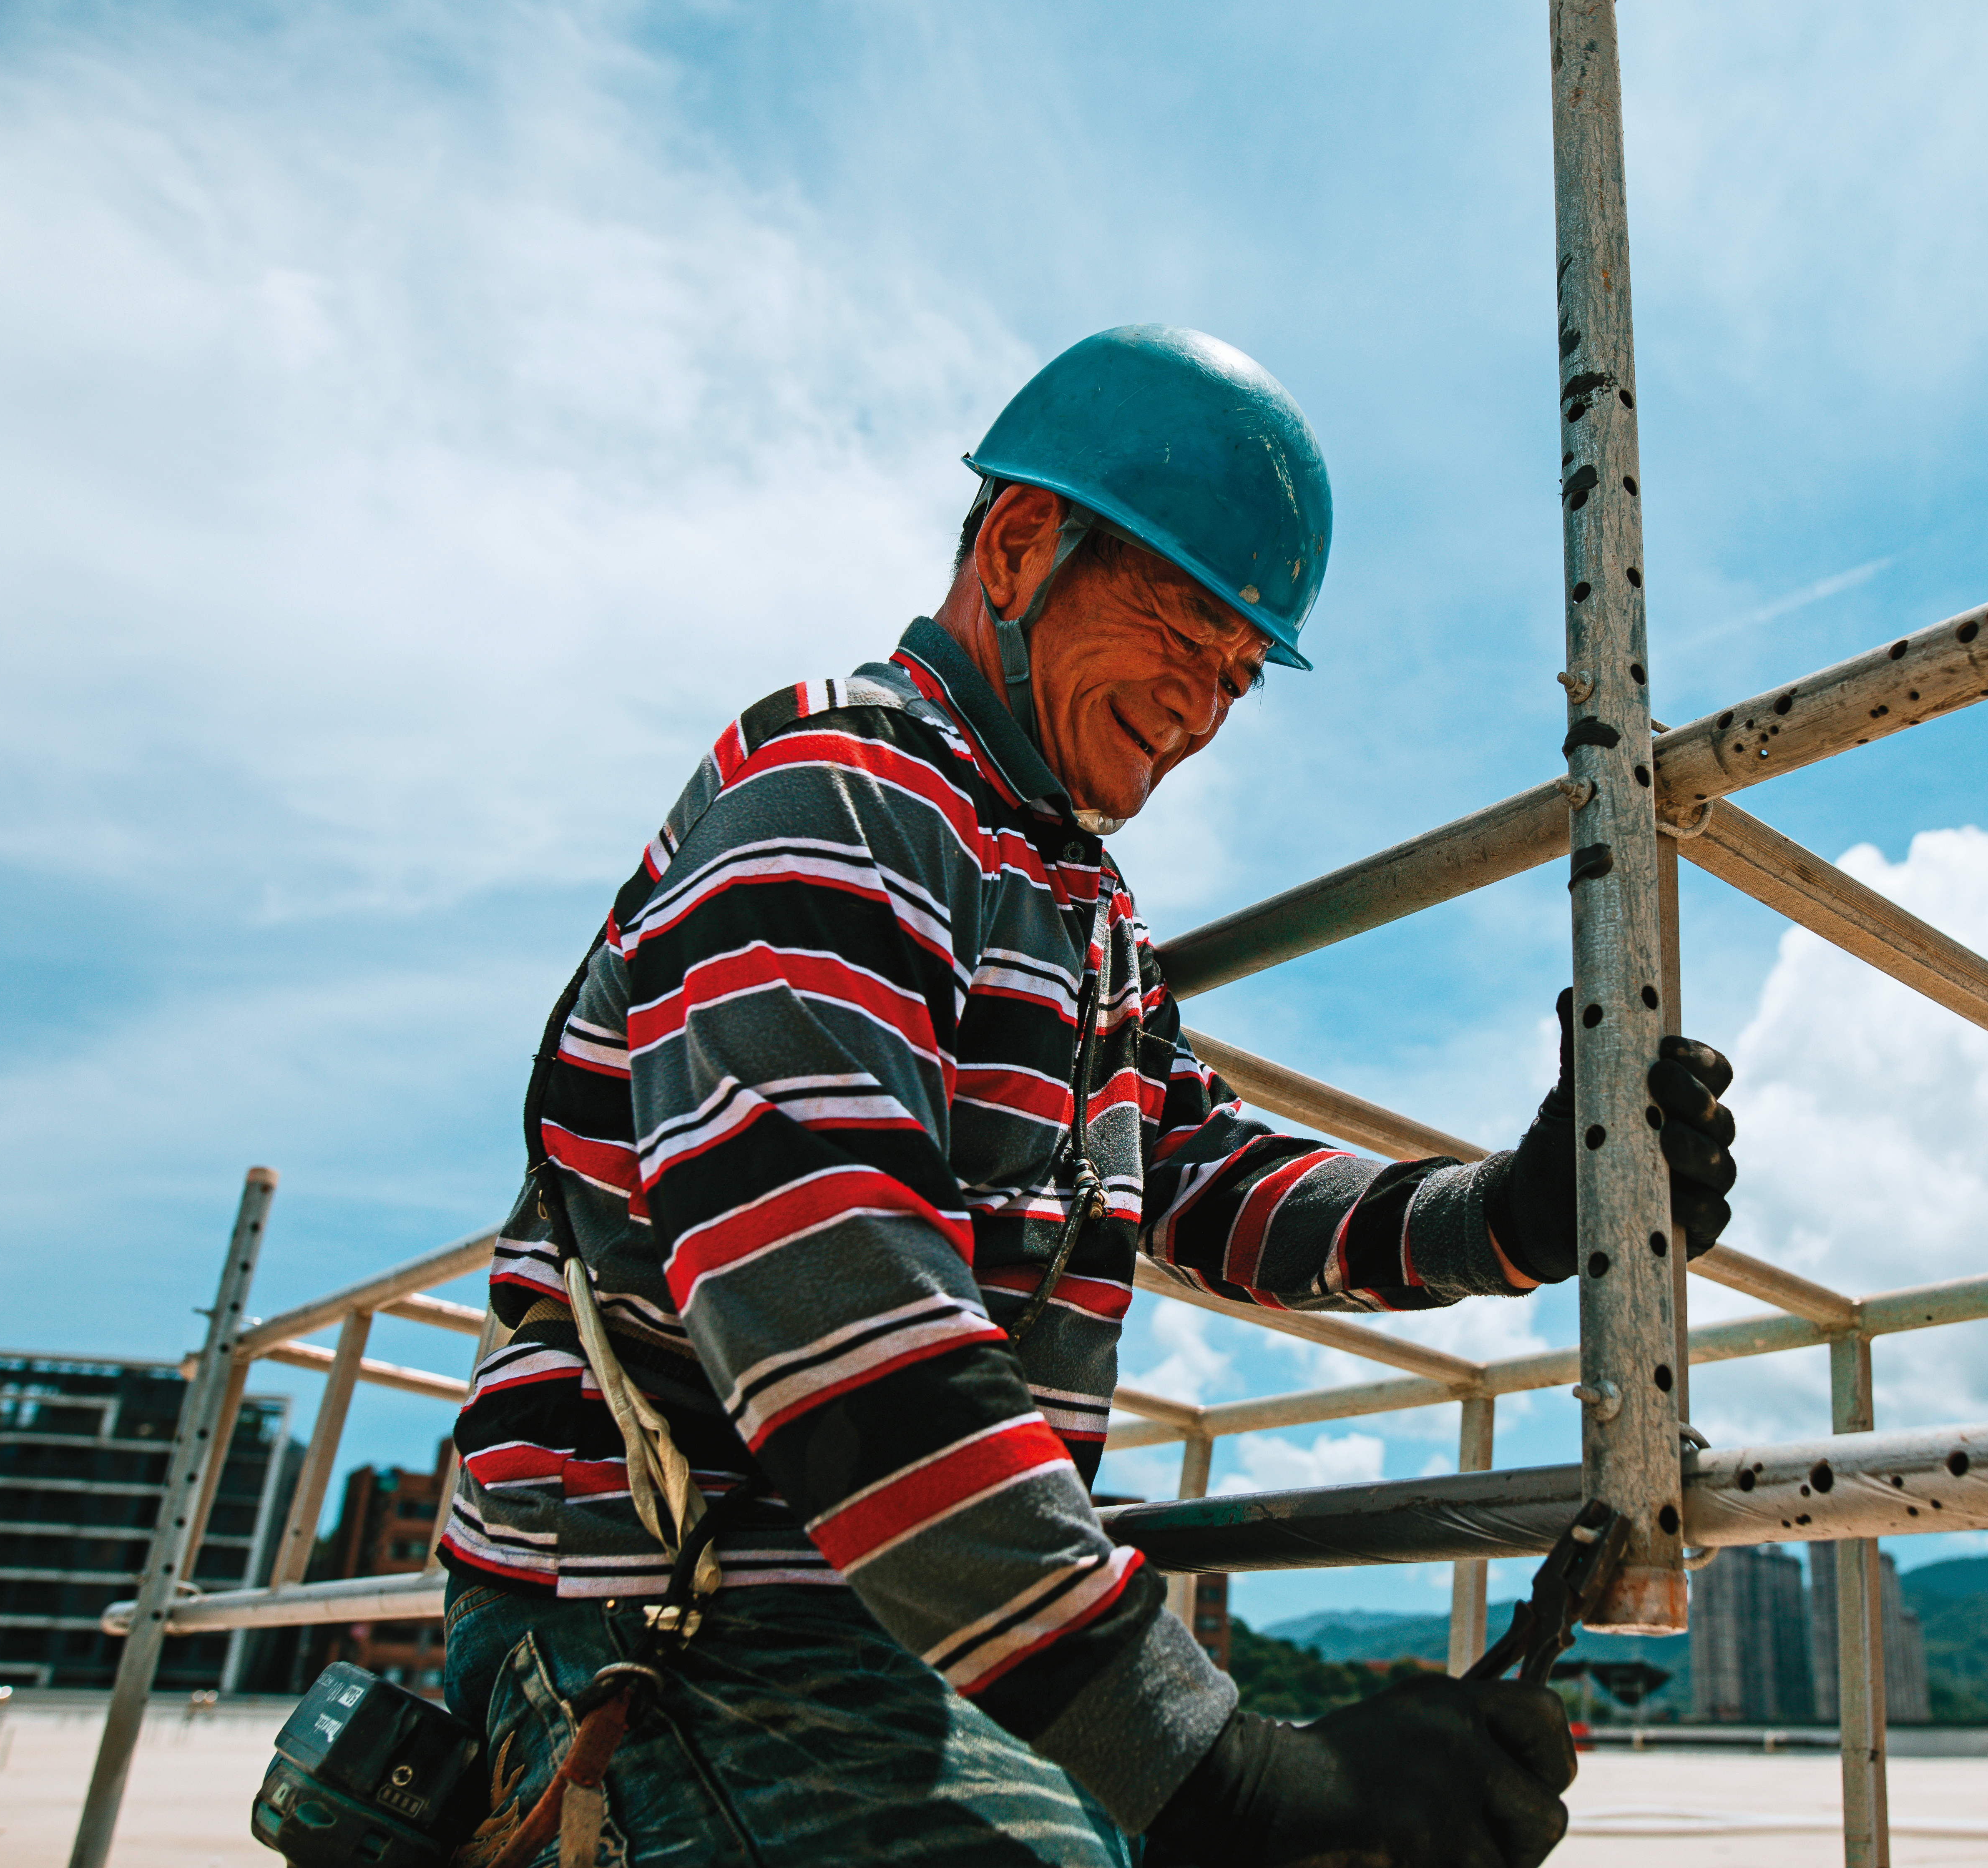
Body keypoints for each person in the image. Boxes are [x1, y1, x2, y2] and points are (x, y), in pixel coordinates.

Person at [436, 324, 1740, 1867]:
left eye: (1241, 676)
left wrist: (1512, 1212)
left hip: (897, 1622)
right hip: (667, 1619)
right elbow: (824, 1295)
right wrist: (1223, 1775)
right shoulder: (839, 798)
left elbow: (1199, 1175)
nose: (1204, 708)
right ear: (1016, 546)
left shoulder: (1079, 909)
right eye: (1186, 630)